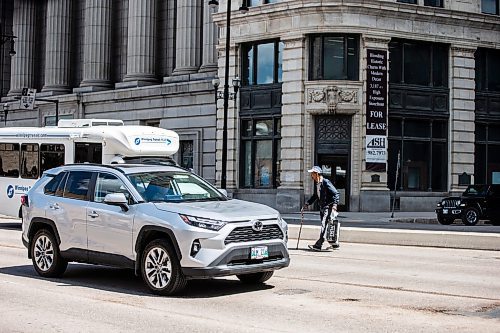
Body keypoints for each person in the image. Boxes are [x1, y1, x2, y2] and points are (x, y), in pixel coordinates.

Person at [303, 166, 340, 251]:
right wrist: (307, 203)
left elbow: (336, 193)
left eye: (312, 173)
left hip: (328, 207)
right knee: (327, 225)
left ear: (316, 174)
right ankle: (334, 244)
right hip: (322, 207)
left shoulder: (325, 182)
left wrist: (335, 205)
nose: (311, 175)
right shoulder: (317, 183)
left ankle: (318, 245)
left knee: (324, 225)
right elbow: (316, 196)